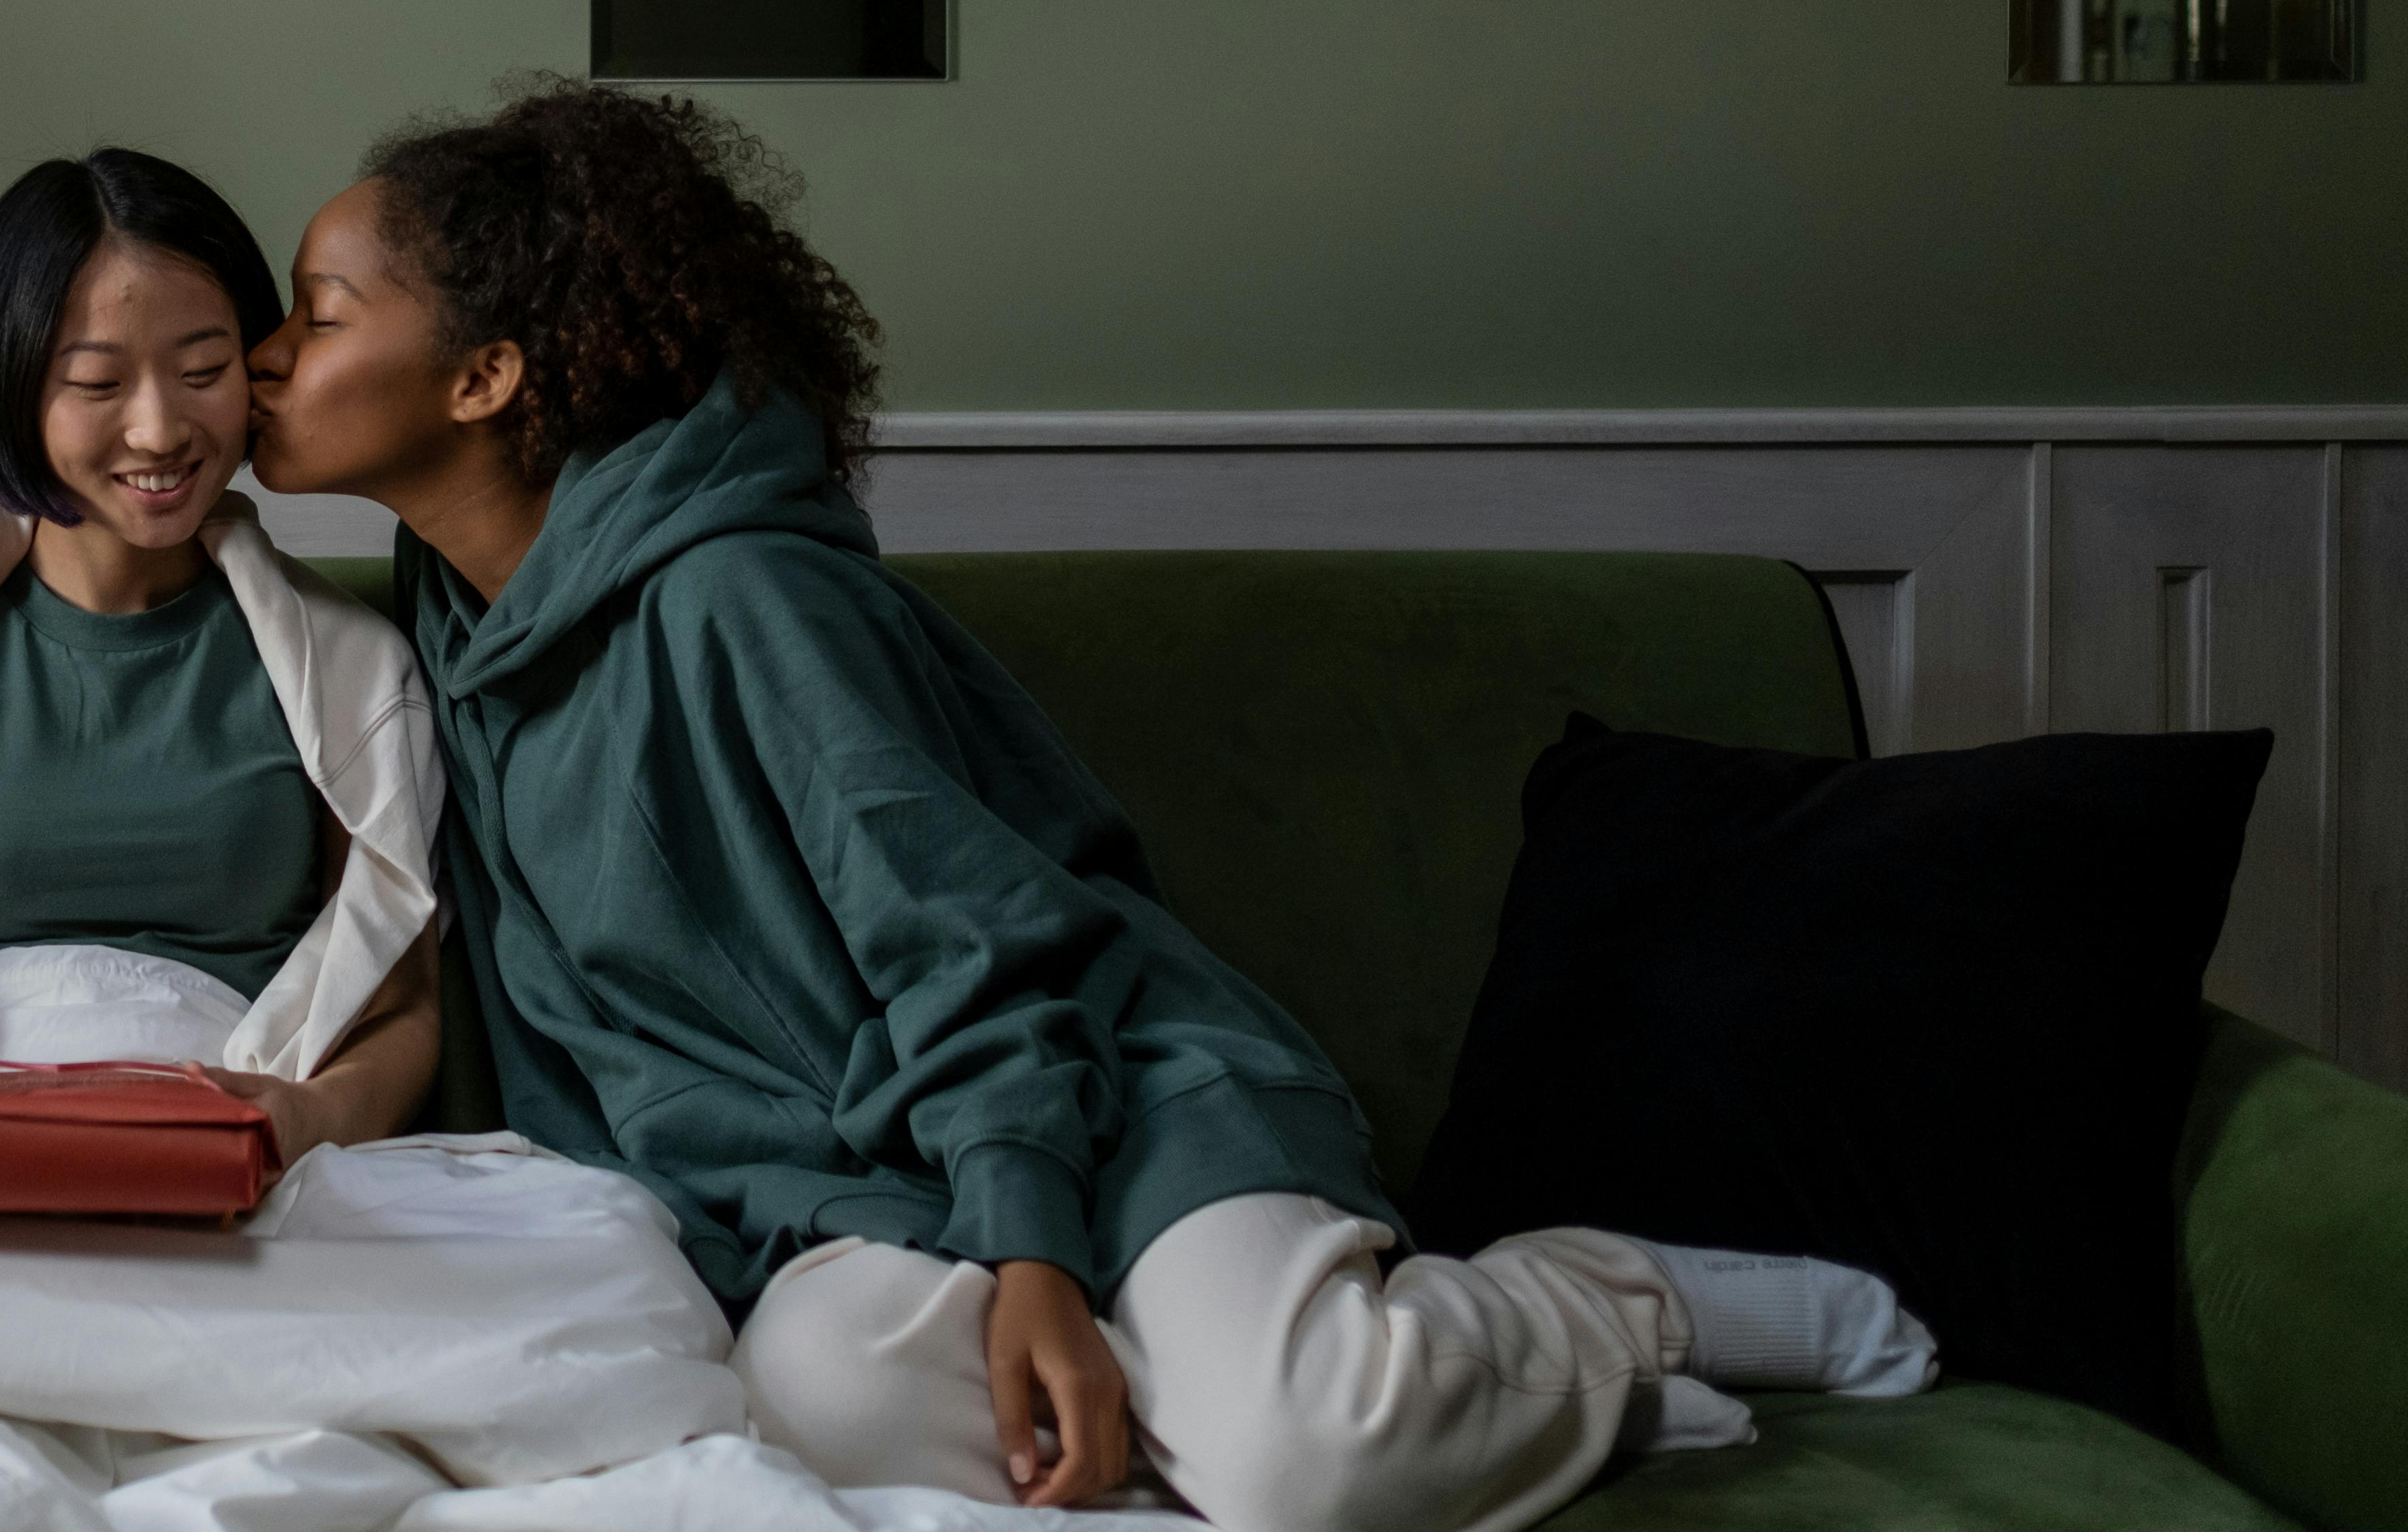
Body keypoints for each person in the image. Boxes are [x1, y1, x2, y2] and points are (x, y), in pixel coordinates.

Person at [244, 80, 1931, 1531]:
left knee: (1307, 1463)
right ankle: (1354, 1408)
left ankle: (1592, 1315)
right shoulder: (444, 638)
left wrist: (1036, 1250)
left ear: (484, 380)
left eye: (320, 313)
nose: (271, 354)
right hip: (859, 1215)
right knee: (822, 1394)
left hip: (1113, 1119)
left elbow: (975, 942)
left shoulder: (743, 597)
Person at [0, 145, 442, 1161]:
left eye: (204, 372)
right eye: (97, 383)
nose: (159, 429)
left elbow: (401, 1010)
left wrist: (308, 1119)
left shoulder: (353, 673)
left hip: (227, 1148)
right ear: (10, 389)